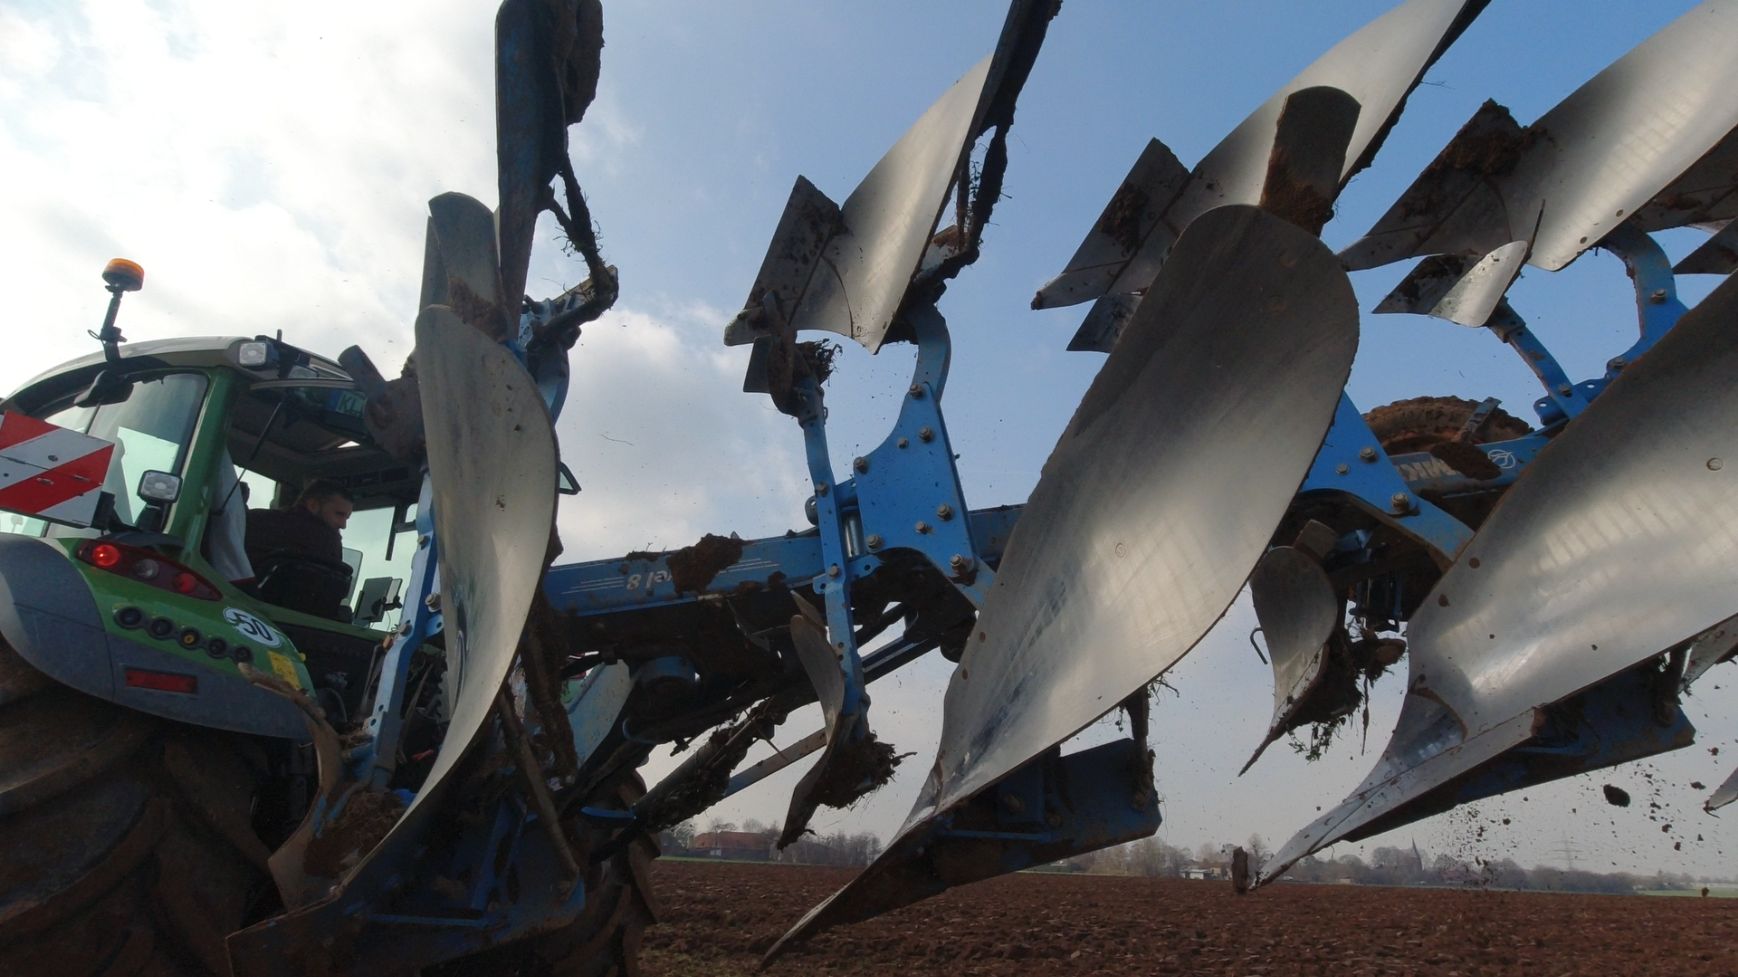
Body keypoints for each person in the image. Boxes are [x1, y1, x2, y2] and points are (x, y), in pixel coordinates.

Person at [244, 479, 355, 616]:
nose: (343, 525)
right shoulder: (330, 541)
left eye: (346, 518)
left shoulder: (254, 519)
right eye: (339, 514)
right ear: (313, 505)